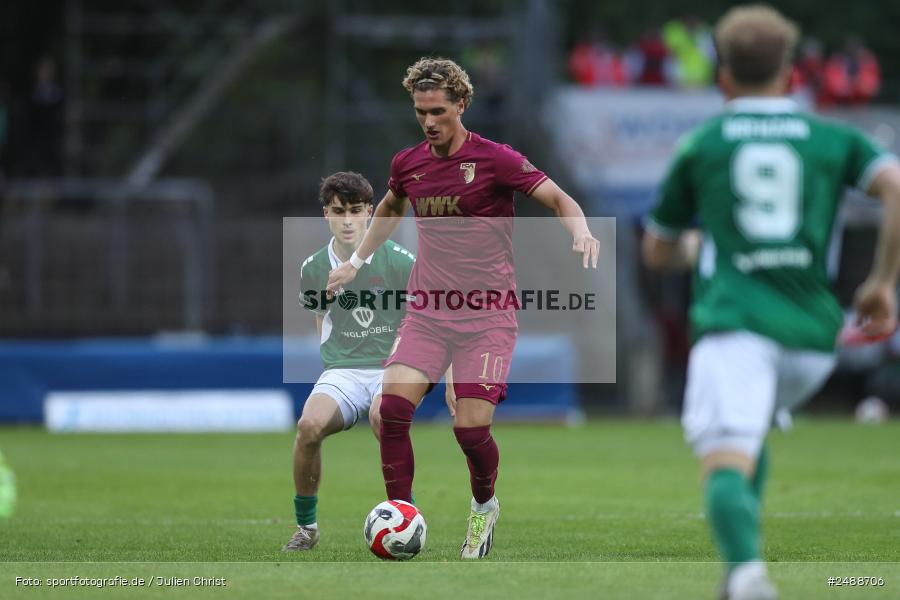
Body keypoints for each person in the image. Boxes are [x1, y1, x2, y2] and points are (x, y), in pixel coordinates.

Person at [642, 5, 900, 599]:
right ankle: (739, 580)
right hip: (813, 339)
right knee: (748, 437)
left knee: (724, 456)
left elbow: (657, 251)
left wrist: (693, 246)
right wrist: (883, 281)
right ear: (791, 75)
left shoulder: (702, 143)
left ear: (723, 78)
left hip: (738, 325)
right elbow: (893, 188)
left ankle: (748, 577)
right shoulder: (831, 137)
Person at [327, 57, 600, 559]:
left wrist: (580, 230)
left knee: (470, 429)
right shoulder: (408, 163)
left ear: (462, 106)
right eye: (420, 111)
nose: (429, 121)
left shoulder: (496, 159)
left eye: (437, 111)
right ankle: (401, 517)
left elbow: (560, 199)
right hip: (428, 313)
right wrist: (358, 260)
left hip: (487, 317)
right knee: (389, 411)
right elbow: (390, 207)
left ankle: (484, 506)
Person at [282, 171, 417, 551]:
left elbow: (428, 317)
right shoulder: (313, 268)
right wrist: (326, 298)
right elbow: (319, 320)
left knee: (382, 417)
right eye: (338, 211)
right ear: (325, 214)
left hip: (393, 367)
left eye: (355, 211)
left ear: (370, 213)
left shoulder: (399, 260)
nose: (347, 220)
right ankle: (306, 528)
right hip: (342, 370)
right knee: (308, 426)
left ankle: (406, 515)